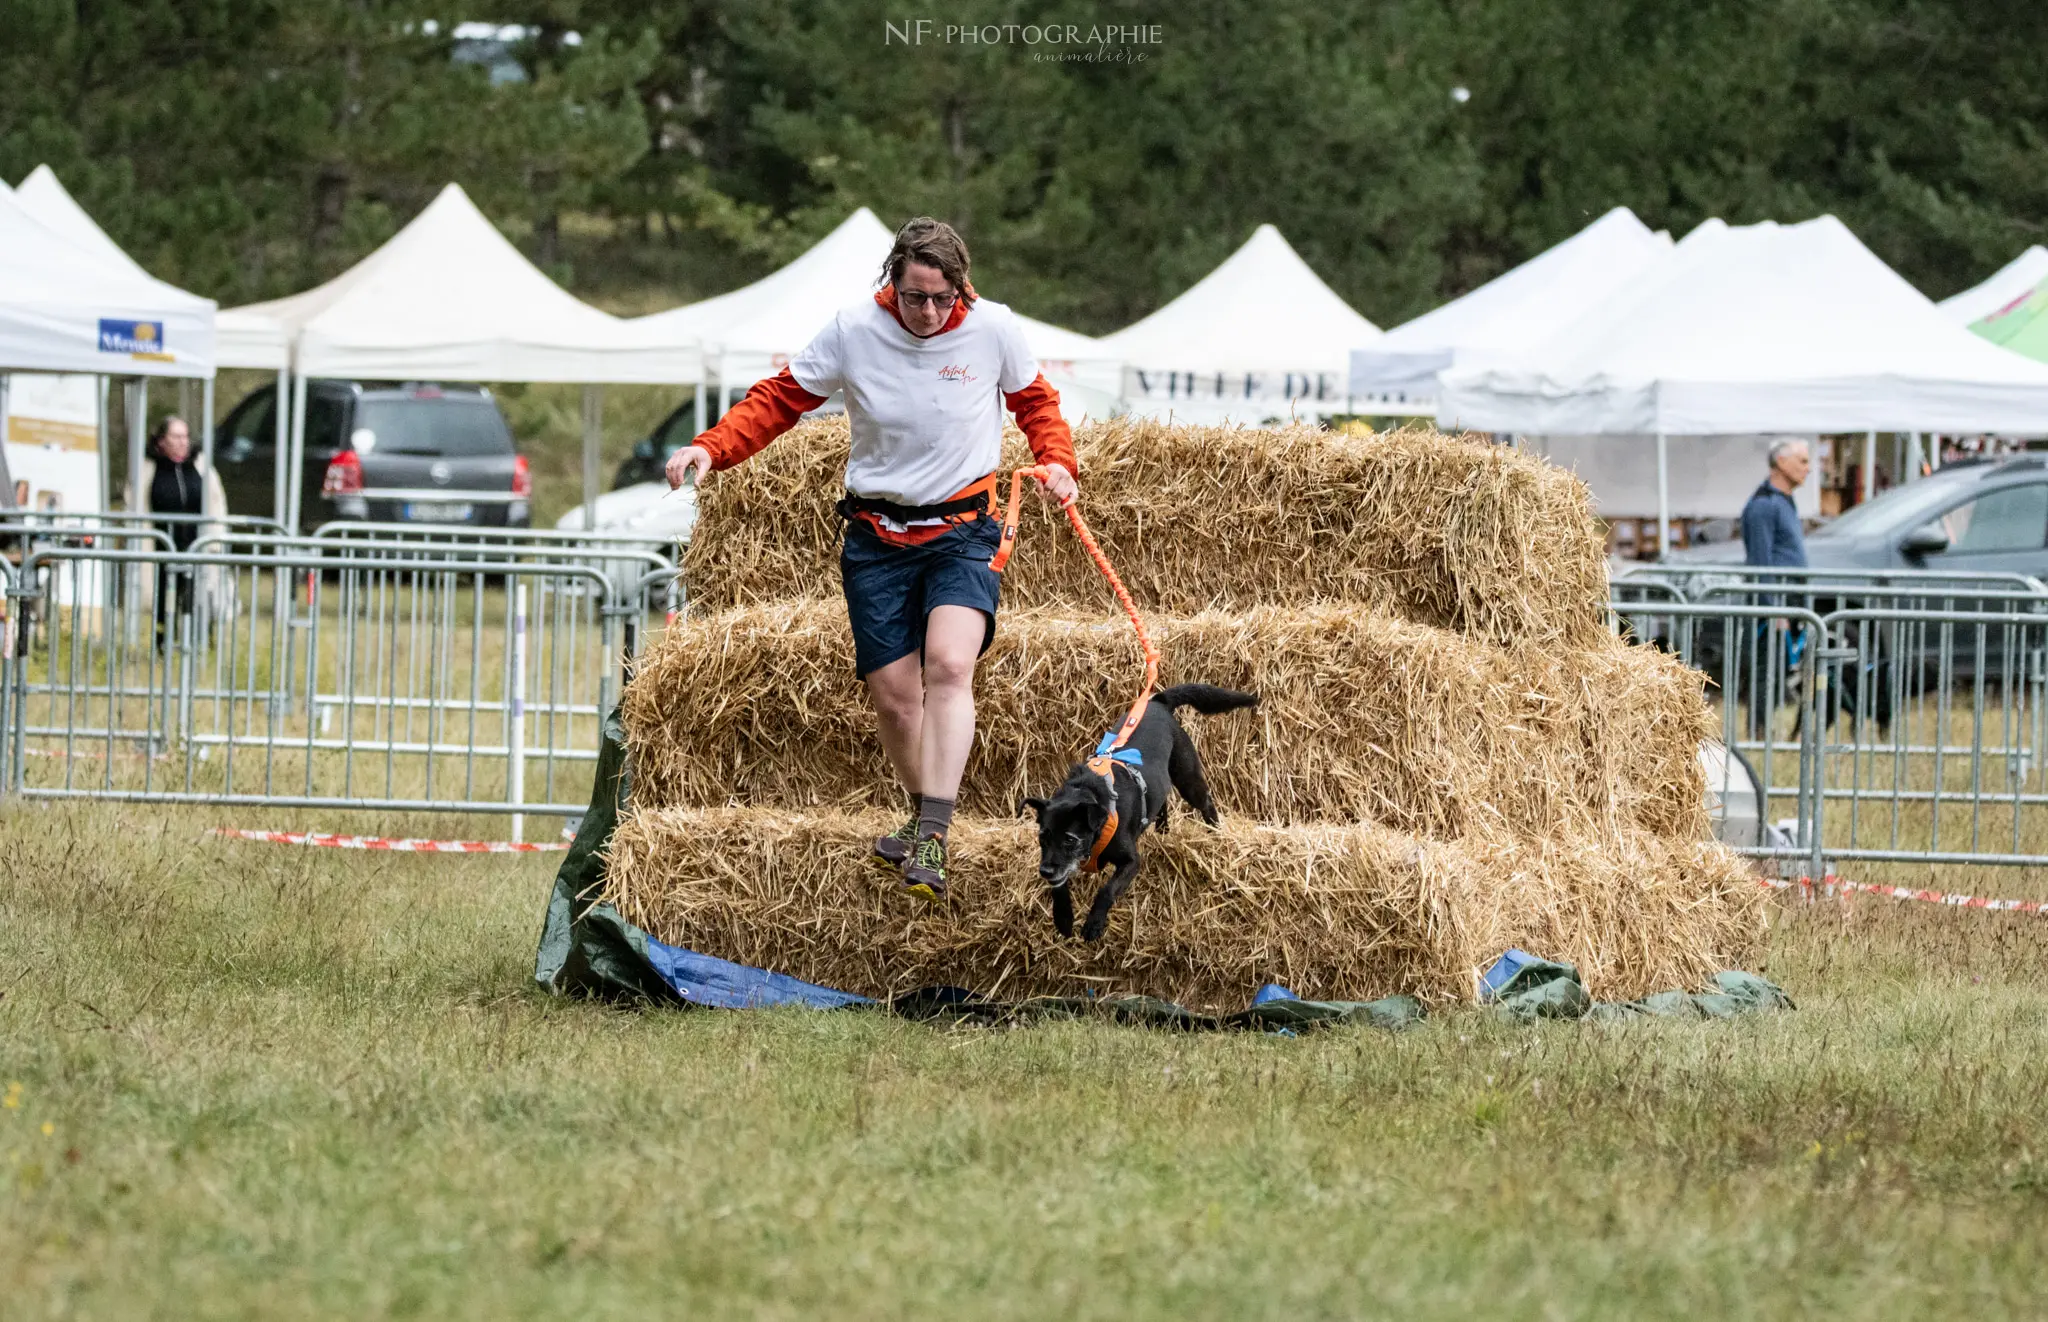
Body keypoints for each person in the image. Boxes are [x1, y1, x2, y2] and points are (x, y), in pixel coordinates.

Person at [666, 216, 1077, 900]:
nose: (928, 312)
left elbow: (1037, 405)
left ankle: (936, 839)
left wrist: (1057, 461)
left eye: (943, 299)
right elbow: (779, 402)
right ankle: (923, 822)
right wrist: (711, 448)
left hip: (964, 529)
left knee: (949, 663)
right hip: (877, 536)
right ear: (892, 281)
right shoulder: (853, 329)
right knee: (893, 698)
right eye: (915, 296)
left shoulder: (993, 328)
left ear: (961, 289)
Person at [135, 415, 228, 650]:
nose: (182, 442)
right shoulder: (148, 468)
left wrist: (217, 538)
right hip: (161, 544)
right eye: (175, 436)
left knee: (200, 593)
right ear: (161, 440)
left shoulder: (200, 465)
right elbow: (136, 503)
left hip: (196, 543)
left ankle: (202, 641)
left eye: (185, 436)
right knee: (163, 596)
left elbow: (216, 501)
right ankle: (163, 642)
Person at [1740, 438, 1809, 568]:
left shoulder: (1782, 501)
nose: (1808, 469)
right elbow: (1760, 563)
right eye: (1803, 462)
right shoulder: (1764, 504)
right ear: (1782, 462)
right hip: (1779, 586)